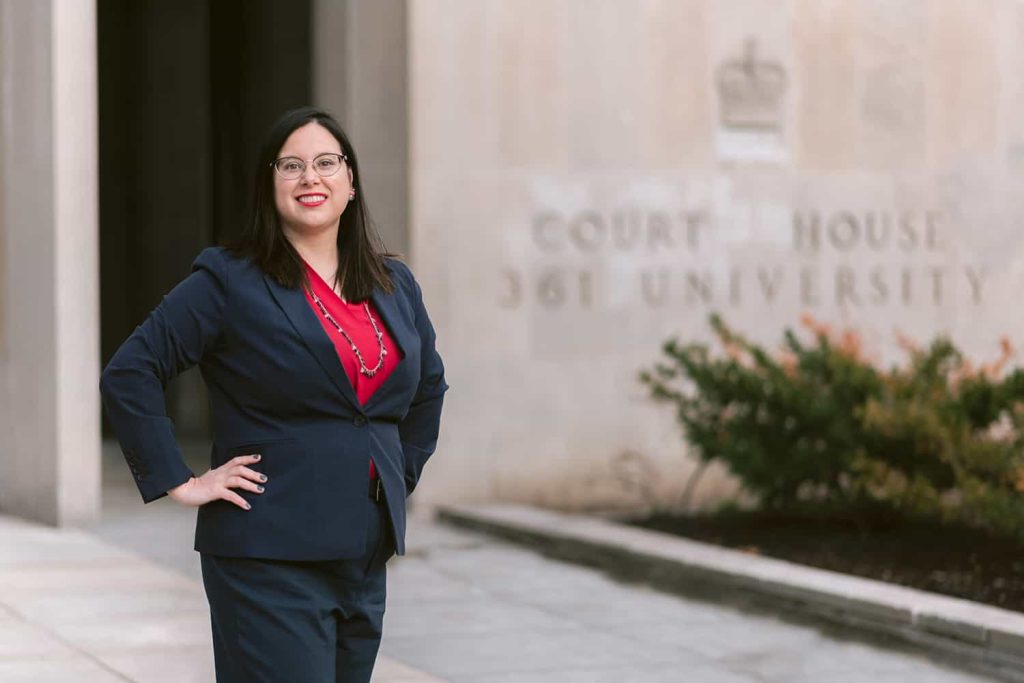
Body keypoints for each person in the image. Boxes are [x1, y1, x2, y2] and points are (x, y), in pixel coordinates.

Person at [99, 106, 448, 682]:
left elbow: (428, 387)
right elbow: (131, 370)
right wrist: (181, 480)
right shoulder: (228, 281)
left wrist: (396, 474)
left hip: (362, 553)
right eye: (291, 165)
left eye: (326, 162)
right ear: (270, 185)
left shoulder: (393, 283)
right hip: (267, 552)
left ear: (351, 182)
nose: (311, 177)